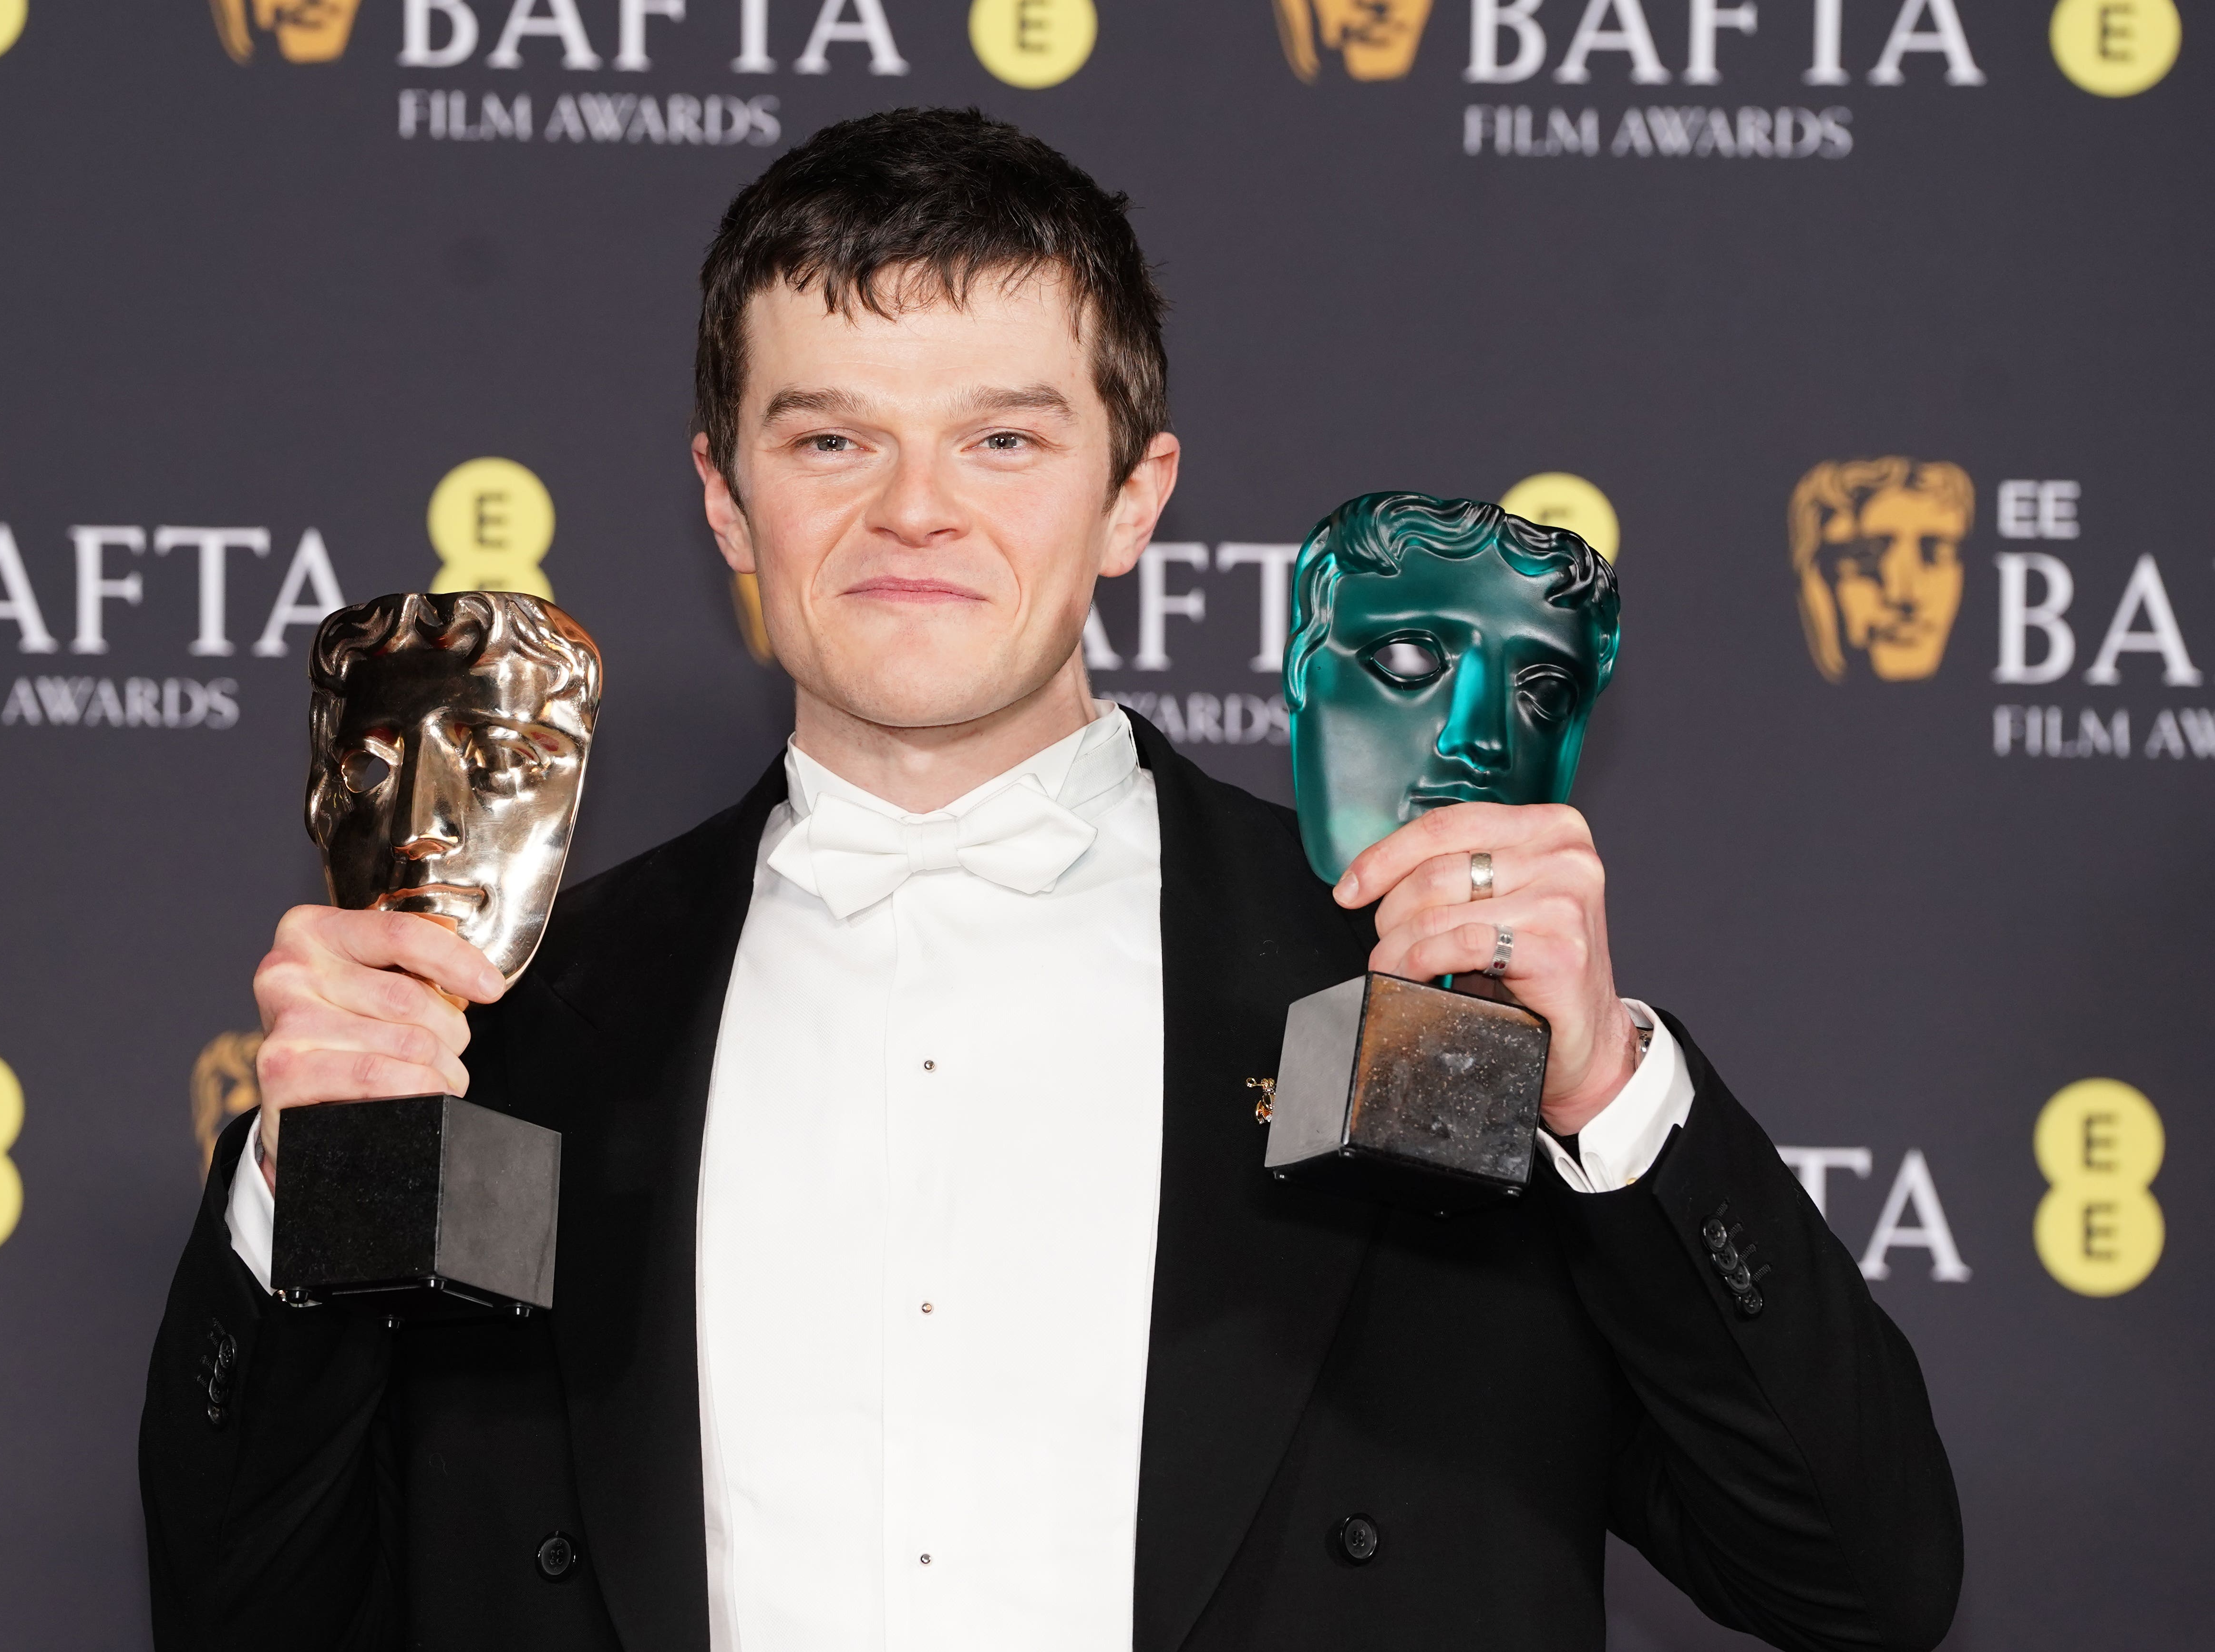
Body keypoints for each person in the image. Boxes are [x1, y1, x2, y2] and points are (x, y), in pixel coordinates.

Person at [140, 107, 1960, 1652]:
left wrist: (1610, 1095)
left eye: (1003, 437)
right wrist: (306, 1189)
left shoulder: (1414, 995)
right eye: (831, 436)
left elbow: (1861, 1576)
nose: (915, 508)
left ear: (1134, 495)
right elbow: (248, 1616)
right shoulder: (514, 1029)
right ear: (727, 502)